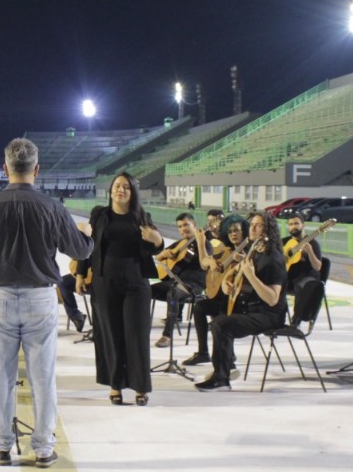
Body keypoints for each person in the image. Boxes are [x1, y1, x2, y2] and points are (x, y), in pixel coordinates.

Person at [0, 138, 92, 467]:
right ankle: (44, 448)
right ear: (37, 169)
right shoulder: (52, 207)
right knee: (43, 376)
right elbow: (81, 251)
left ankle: (1, 445)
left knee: (0, 375)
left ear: (5, 169)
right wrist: (86, 232)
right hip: (40, 296)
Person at [76, 172, 164, 406]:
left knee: (136, 336)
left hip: (136, 284)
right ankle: (115, 384)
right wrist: (80, 274)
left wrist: (157, 240)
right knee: (110, 335)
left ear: (132, 192)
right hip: (105, 283)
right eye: (117, 186)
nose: (121, 190)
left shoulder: (142, 217)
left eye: (126, 187)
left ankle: (140, 386)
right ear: (111, 190)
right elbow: (88, 245)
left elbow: (156, 249)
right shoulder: (100, 215)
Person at [197, 210, 288, 391]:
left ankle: (221, 377)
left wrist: (251, 276)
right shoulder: (255, 250)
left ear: (268, 229)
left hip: (269, 315)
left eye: (258, 225)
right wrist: (226, 283)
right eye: (252, 224)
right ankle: (225, 366)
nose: (252, 228)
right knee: (214, 312)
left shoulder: (274, 258)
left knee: (221, 324)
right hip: (251, 309)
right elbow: (235, 270)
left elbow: (272, 299)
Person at [184, 214, 247, 367]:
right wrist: (206, 253)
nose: (233, 233)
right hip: (219, 296)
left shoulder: (249, 251)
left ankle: (228, 357)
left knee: (220, 317)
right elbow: (203, 263)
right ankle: (203, 352)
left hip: (238, 300)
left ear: (244, 232)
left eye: (237, 230)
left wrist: (244, 262)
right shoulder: (222, 249)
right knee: (199, 308)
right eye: (230, 231)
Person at [152, 212, 206, 348]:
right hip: (174, 282)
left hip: (193, 285)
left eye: (186, 225)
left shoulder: (204, 244)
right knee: (143, 289)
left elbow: (206, 263)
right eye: (180, 226)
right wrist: (162, 255)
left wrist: (201, 244)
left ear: (194, 225)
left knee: (174, 293)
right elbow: (158, 257)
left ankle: (167, 335)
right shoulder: (180, 243)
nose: (183, 229)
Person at [283, 211, 323, 298]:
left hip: (307, 276)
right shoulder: (284, 242)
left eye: (296, 223)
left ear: (303, 225)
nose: (293, 226)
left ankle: (300, 312)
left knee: (301, 286)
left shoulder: (312, 243)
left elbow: (317, 267)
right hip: (289, 275)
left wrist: (310, 252)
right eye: (291, 224)